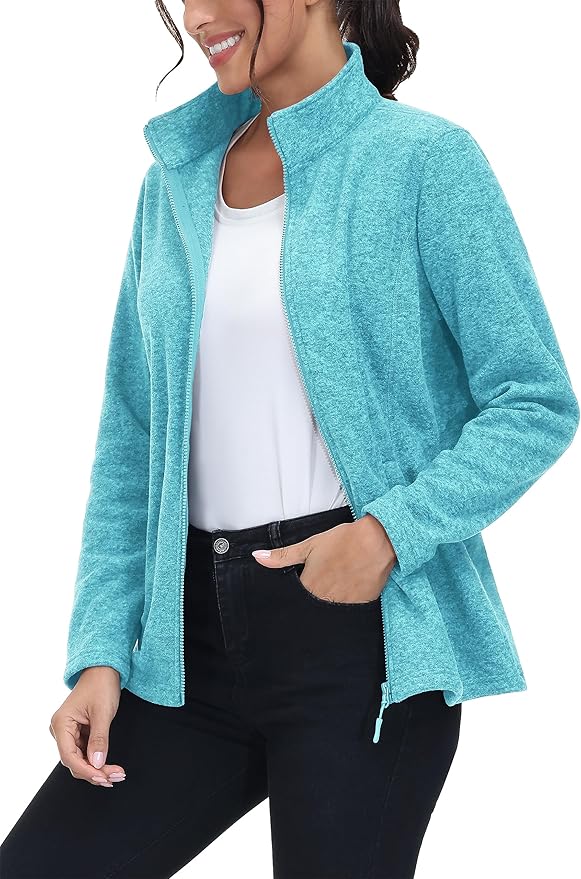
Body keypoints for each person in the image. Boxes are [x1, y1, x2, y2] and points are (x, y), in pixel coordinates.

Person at [1, 2, 578, 877]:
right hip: (185, 646)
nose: (198, 15)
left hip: (357, 645)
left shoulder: (423, 161)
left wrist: (387, 534)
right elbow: (132, 438)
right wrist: (101, 651)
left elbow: (533, 399)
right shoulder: (175, 182)